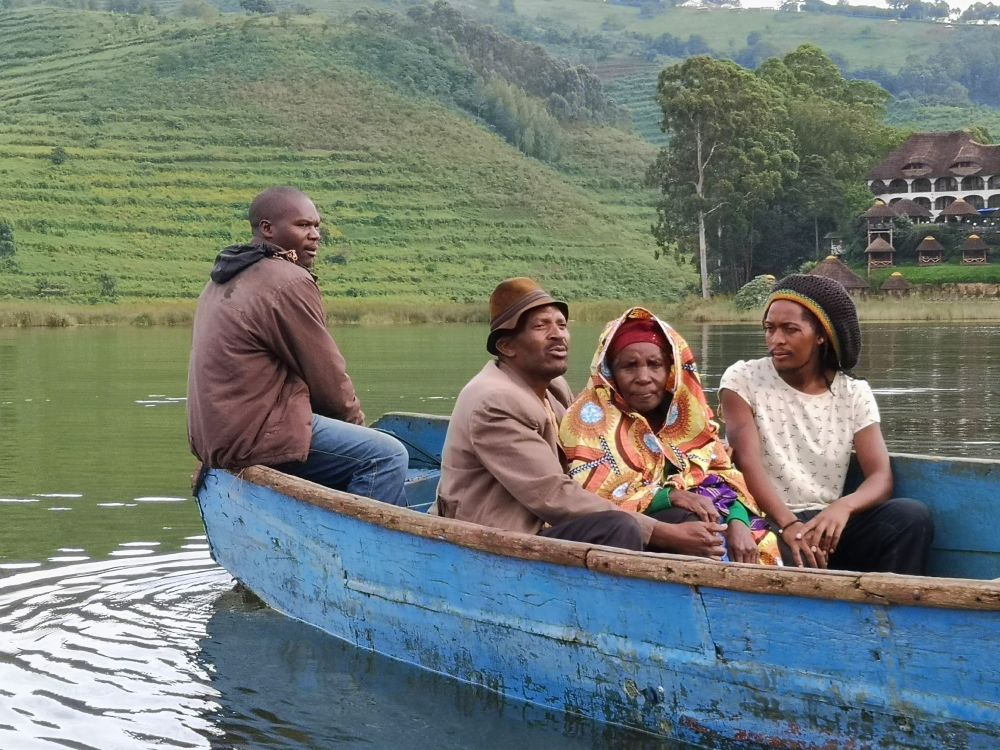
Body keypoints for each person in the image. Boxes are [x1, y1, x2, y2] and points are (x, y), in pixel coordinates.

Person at [437, 278, 727, 557]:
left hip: (547, 521)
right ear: (507, 347)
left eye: (561, 325)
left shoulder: (553, 386)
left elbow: (599, 448)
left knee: (678, 515)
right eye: (541, 326)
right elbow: (552, 495)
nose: (558, 335)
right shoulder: (495, 401)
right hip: (500, 536)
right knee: (621, 527)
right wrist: (663, 534)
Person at [187, 186, 408, 506]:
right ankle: (354, 536)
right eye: (303, 225)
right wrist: (359, 428)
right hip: (254, 437)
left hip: (216, 438)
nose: (315, 235)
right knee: (387, 455)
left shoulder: (224, 277)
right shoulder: (288, 280)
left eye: (317, 226)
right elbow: (328, 378)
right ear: (267, 229)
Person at [719, 274, 933, 573]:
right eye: (770, 328)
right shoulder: (743, 380)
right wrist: (789, 524)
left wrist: (843, 507)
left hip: (826, 524)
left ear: (821, 335)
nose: (776, 340)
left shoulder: (853, 392)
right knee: (768, 550)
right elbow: (747, 461)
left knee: (910, 517)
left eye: (790, 329)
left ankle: (890, 600)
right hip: (768, 520)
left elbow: (880, 477)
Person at [560, 307, 781, 565]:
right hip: (636, 535)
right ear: (610, 373)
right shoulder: (588, 422)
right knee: (696, 526)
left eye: (655, 365)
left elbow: (722, 476)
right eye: (629, 366)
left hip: (709, 519)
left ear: (671, 371)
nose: (643, 378)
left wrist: (738, 521)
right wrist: (672, 496)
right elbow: (596, 498)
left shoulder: (689, 420)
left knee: (763, 536)